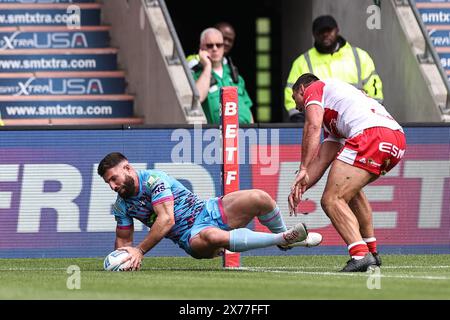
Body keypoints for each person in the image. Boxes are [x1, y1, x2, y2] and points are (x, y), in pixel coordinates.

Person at [97, 152, 323, 271]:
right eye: (108, 183)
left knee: (260, 197)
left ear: (128, 168)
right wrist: (123, 260)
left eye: (114, 179)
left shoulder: (154, 180)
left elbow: (165, 219)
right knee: (212, 235)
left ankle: (285, 239)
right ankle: (281, 238)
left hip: (209, 210)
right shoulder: (122, 205)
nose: (113, 186)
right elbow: (124, 241)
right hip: (191, 237)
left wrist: (140, 251)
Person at [288, 73, 406, 272]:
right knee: (350, 193)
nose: (298, 107)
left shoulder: (314, 89)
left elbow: (312, 126)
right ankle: (371, 251)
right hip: (396, 139)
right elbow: (322, 159)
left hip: (371, 134)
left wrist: (302, 168)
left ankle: (360, 255)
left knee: (331, 199)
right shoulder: (336, 115)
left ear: (301, 90)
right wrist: (301, 185)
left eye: (296, 100)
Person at [285, 15, 384, 122]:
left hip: (358, 120)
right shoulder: (302, 62)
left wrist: (374, 114)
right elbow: (292, 94)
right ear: (313, 35)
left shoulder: (360, 56)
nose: (325, 34)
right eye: (321, 32)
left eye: (329, 30)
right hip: (320, 124)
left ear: (337, 30)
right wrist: (300, 120)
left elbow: (375, 91)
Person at [190, 27, 253, 124]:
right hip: (217, 135)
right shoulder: (197, 75)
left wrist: (255, 134)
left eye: (219, 45)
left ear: (223, 47)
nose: (215, 49)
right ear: (202, 48)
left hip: (245, 133)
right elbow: (197, 98)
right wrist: (207, 66)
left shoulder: (235, 75)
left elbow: (247, 108)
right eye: (210, 45)